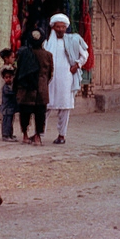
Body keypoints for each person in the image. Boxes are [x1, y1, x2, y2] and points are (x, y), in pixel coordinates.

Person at [44, 13, 89, 144]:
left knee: (64, 108)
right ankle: (39, 134)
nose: (60, 29)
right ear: (53, 27)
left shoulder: (73, 40)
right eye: (58, 27)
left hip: (66, 79)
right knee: (45, 106)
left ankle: (61, 135)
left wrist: (78, 64)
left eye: (63, 27)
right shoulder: (47, 42)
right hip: (50, 80)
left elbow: (85, 54)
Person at [14, 30, 53, 146]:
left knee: (25, 112)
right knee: (40, 114)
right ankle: (37, 137)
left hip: (26, 89)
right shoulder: (48, 55)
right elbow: (50, 74)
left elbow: (18, 71)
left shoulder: (23, 54)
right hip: (41, 89)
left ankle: (25, 135)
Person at [0, 67, 17, 142]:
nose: (8, 79)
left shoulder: (10, 86)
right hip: (6, 109)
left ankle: (10, 134)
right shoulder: (5, 88)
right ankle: (5, 135)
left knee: (10, 122)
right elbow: (12, 93)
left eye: (10, 77)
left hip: (10, 109)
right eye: (6, 77)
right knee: (6, 122)